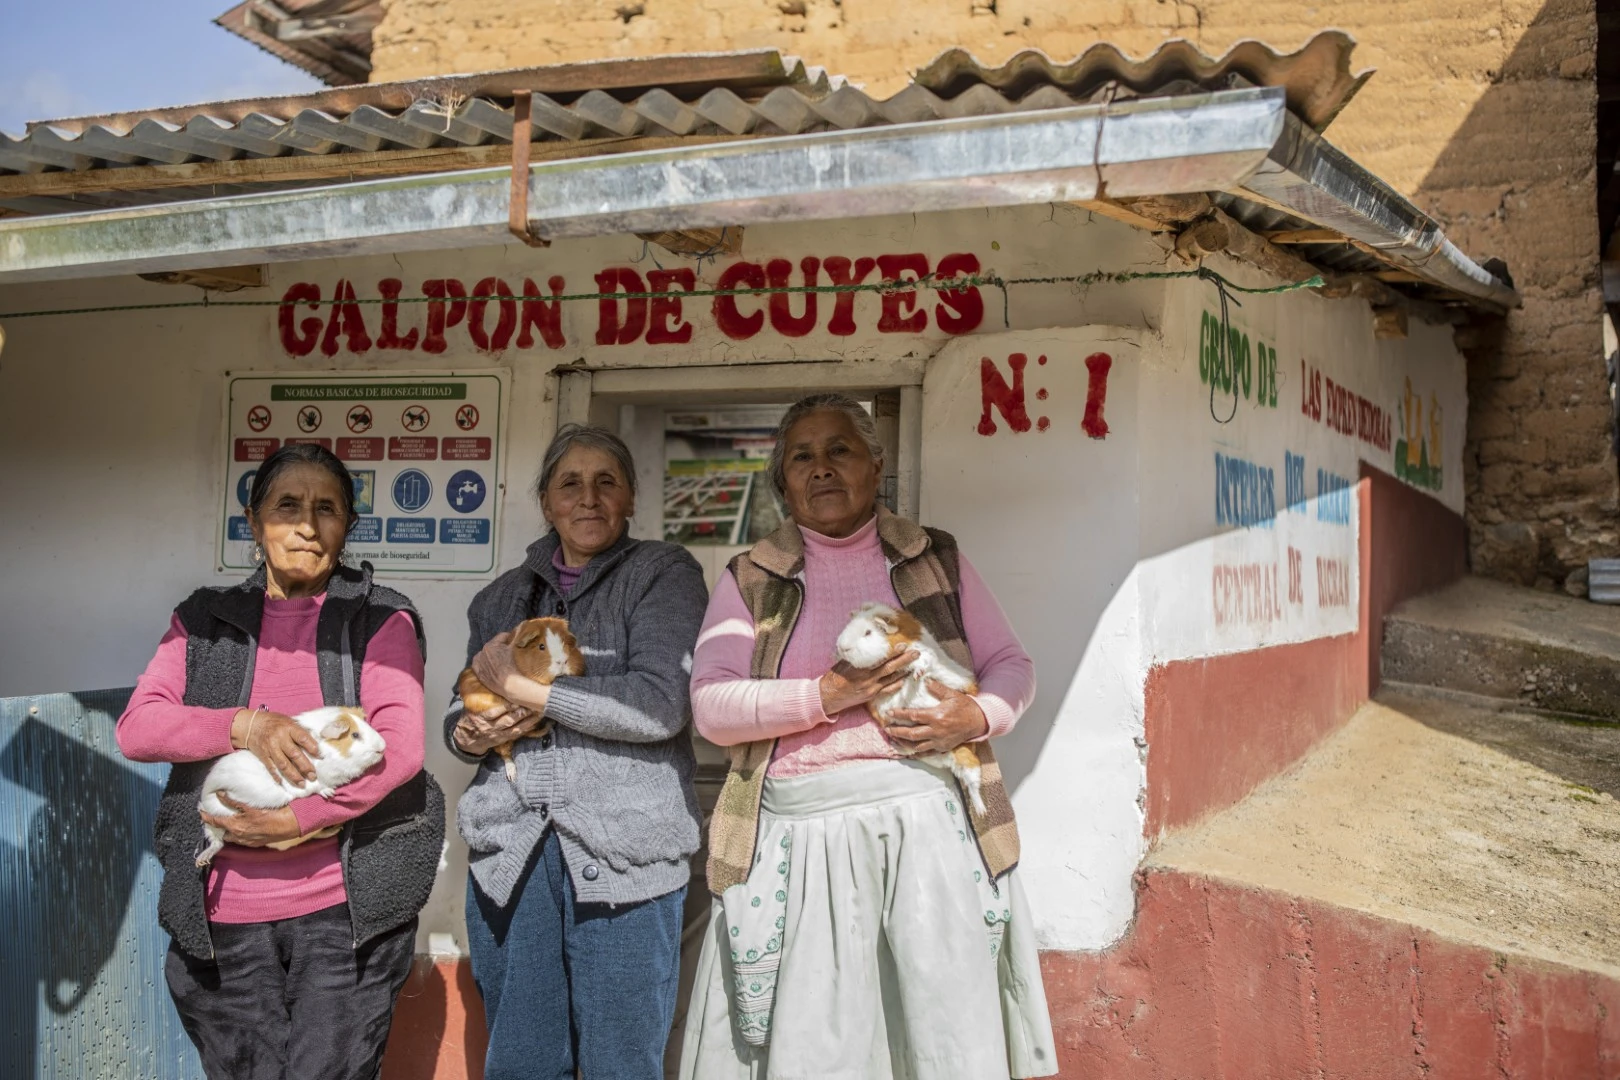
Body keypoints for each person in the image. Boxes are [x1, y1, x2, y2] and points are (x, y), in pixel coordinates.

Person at [680, 393, 1058, 1079]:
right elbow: (711, 707)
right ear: (783, 481)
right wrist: (826, 696)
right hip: (800, 840)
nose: (821, 469)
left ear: (876, 465)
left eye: (840, 450)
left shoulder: (931, 558)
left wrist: (975, 718)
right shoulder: (751, 579)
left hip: (928, 831)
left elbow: (1012, 666)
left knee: (937, 1025)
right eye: (802, 457)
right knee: (818, 1040)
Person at [117, 442, 444, 1080]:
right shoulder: (203, 618)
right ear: (253, 520)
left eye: (327, 508)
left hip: (343, 913)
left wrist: (298, 820)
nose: (305, 524)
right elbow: (138, 727)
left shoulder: (380, 618)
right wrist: (244, 724)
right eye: (286, 505)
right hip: (223, 915)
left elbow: (399, 747)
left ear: (348, 526)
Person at [447, 423, 708, 1080]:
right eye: (570, 482)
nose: (588, 498)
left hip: (626, 853)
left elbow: (659, 703)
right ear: (546, 501)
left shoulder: (664, 573)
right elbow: (468, 697)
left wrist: (525, 690)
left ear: (630, 498)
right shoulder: (501, 596)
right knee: (524, 1064)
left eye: (606, 482)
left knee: (621, 1064)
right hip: (514, 855)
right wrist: (468, 728)